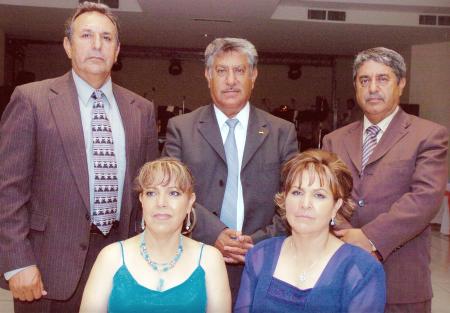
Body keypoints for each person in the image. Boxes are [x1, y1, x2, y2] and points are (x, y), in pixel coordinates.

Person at [0, 2, 158, 312]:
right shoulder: (32, 100)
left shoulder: (141, 109)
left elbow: (146, 191)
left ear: (117, 50)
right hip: (47, 265)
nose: (97, 45)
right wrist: (17, 262)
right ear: (68, 46)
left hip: (120, 261)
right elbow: (7, 189)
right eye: (86, 35)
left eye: (107, 38)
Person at [162, 37, 298, 300]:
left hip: (265, 263)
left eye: (239, 70)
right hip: (196, 258)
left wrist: (257, 242)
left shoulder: (282, 132)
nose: (231, 80)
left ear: (254, 76)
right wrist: (215, 233)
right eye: (222, 71)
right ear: (208, 75)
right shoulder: (181, 128)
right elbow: (170, 193)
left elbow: (293, 196)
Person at [322, 47, 448, 312]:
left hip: (401, 280)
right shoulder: (334, 139)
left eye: (383, 78)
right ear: (355, 86)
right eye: (364, 80)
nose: (372, 88)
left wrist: (369, 238)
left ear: (401, 84)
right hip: (342, 273)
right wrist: (346, 232)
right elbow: (326, 194)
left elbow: (424, 199)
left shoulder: (429, 135)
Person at [235, 150, 386, 313]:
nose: (305, 203)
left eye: (319, 195)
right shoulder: (259, 256)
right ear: (284, 199)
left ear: (336, 206)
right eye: (297, 192)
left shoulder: (362, 269)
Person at [80, 158, 231, 313]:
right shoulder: (111, 257)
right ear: (142, 200)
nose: (161, 202)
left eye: (173, 193)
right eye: (151, 193)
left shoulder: (210, 260)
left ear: (189, 202)